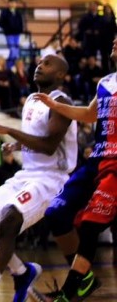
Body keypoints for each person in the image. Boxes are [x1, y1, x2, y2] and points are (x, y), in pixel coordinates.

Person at [0, 55, 77, 302]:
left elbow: (50, 145)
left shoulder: (62, 102)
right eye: (39, 62)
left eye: (48, 64)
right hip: (27, 175)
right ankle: (22, 272)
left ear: (61, 75)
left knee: (8, 219)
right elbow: (36, 137)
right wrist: (17, 145)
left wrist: (9, 130)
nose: (40, 66)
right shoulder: (31, 100)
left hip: (51, 180)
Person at [31, 38, 117, 301]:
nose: (113, 42)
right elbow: (91, 114)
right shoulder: (106, 82)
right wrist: (57, 107)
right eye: (112, 40)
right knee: (56, 211)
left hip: (115, 165)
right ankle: (84, 281)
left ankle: (69, 293)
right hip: (97, 160)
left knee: (91, 225)